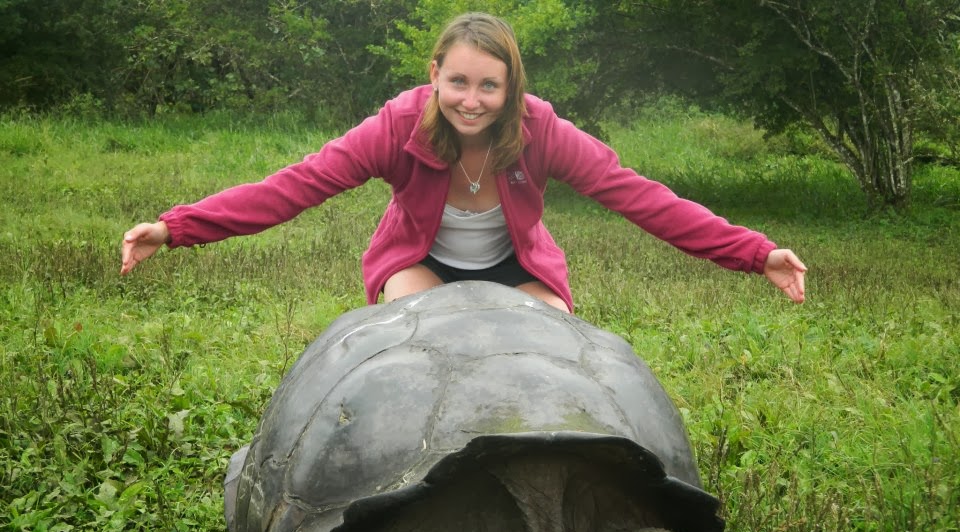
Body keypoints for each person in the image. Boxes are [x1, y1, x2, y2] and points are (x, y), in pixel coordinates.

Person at [121, 12, 806, 312]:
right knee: (414, 331)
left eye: (488, 86)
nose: (470, 101)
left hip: (521, 268)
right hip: (420, 265)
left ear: (511, 88)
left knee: (547, 348)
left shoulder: (541, 132)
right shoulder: (396, 125)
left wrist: (754, 253)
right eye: (457, 83)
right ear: (435, 75)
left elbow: (639, 197)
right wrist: (178, 228)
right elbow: (296, 186)